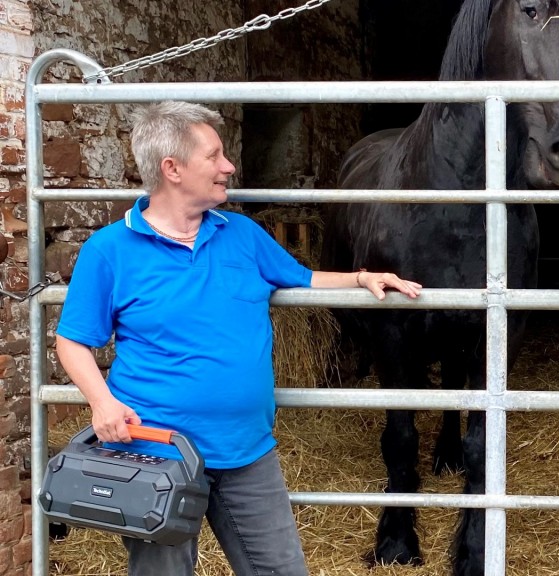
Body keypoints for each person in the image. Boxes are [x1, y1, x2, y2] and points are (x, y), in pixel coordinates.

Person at [54, 101, 422, 576]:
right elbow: (73, 340)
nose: (229, 166)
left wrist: (363, 278)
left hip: (247, 452)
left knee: (283, 570)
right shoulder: (109, 250)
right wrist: (101, 402)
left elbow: (303, 278)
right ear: (173, 169)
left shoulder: (241, 234)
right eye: (215, 155)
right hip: (156, 454)